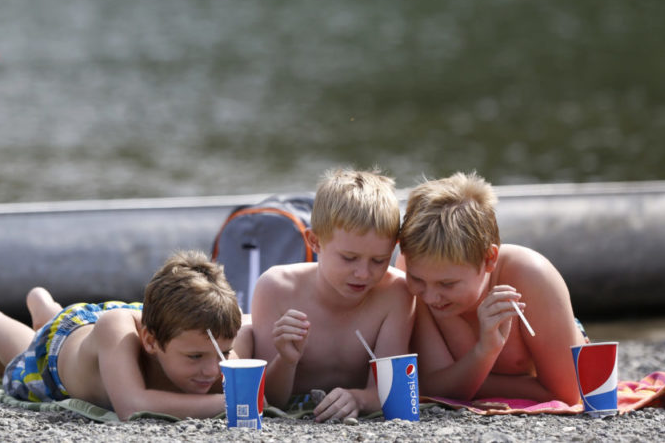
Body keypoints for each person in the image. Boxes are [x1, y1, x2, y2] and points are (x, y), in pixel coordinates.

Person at [0, 250, 244, 421]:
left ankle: (45, 308)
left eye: (225, 353)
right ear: (150, 342)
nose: (213, 369)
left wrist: (281, 363)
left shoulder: (197, 337)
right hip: (61, 348)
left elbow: (261, 391)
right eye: (195, 357)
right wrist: (232, 402)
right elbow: (132, 407)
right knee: (23, 359)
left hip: (143, 319)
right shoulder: (125, 332)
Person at [397, 171, 586, 404]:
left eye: (447, 284)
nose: (430, 296)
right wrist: (485, 351)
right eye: (417, 280)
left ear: (488, 259)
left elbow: (567, 393)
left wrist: (465, 381)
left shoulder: (531, 276)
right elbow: (430, 386)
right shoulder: (412, 272)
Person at [249, 167, 415, 422]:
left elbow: (392, 390)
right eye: (349, 258)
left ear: (393, 249)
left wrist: (358, 399)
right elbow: (269, 399)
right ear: (314, 242)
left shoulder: (395, 293)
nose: (363, 273)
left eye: (379, 260)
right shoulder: (276, 289)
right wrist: (286, 360)